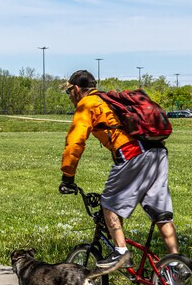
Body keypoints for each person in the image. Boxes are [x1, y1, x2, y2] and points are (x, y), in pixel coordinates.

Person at [59, 70, 179, 267]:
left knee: (109, 204)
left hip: (133, 155)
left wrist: (67, 176)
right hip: (157, 152)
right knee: (161, 213)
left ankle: (121, 252)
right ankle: (177, 265)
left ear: (77, 89)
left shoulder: (87, 104)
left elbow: (75, 142)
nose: (69, 96)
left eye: (69, 91)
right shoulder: (108, 100)